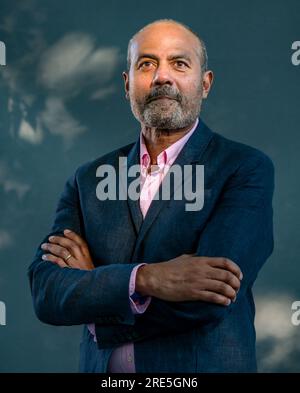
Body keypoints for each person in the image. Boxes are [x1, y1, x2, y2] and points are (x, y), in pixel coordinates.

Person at [28, 19, 274, 373]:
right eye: (146, 64)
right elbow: (47, 292)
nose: (162, 76)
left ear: (205, 84)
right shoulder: (88, 180)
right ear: (127, 85)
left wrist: (97, 298)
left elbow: (211, 296)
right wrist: (146, 279)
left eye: (179, 63)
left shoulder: (244, 168)